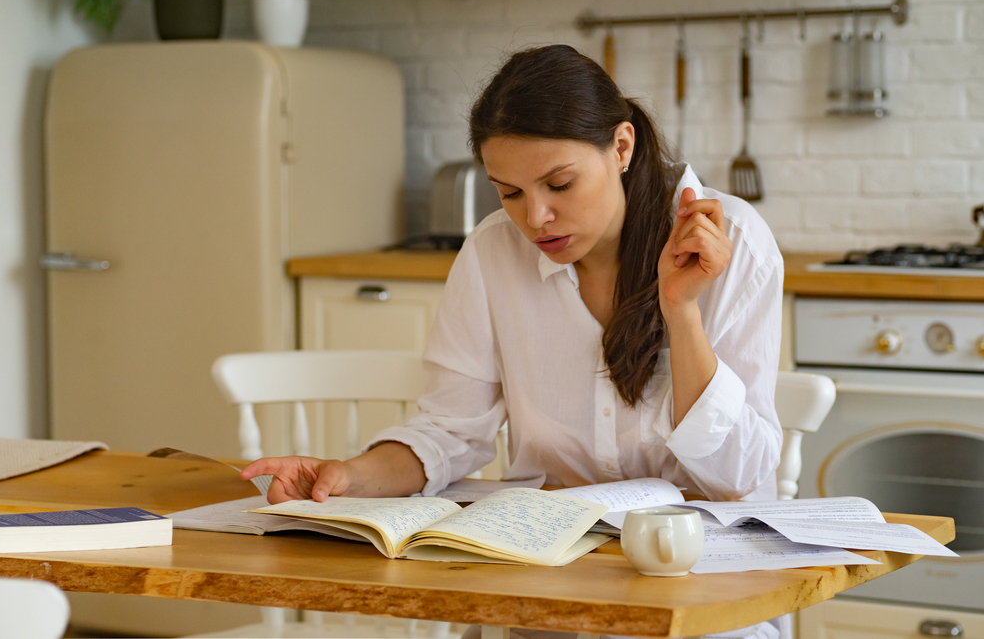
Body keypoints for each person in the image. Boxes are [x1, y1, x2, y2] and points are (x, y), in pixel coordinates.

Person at [241, 44, 785, 639]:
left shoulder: (731, 244)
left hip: (704, 587)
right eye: (511, 193)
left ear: (621, 147)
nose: (537, 218)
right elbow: (452, 429)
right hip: (542, 577)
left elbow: (737, 476)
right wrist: (346, 476)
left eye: (559, 183)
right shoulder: (492, 252)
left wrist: (680, 310)